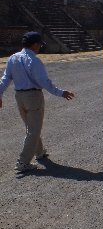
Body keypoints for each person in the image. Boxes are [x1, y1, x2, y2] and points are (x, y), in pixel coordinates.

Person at [0, 31, 75, 173]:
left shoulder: (13, 58)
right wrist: (61, 93)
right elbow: (44, 82)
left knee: (31, 127)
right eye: (39, 44)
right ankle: (23, 161)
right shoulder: (34, 61)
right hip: (33, 96)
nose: (40, 47)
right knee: (33, 130)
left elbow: (5, 78)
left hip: (19, 96)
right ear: (34, 45)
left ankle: (39, 152)